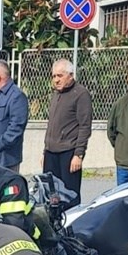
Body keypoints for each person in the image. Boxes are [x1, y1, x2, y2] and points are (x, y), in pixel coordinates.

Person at [43, 59, 92, 208]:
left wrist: (78, 154)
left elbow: (85, 126)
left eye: (60, 75)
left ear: (70, 75)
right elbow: (52, 125)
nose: (56, 80)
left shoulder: (81, 94)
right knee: (51, 196)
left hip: (69, 153)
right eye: (54, 76)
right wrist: (44, 151)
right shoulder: (56, 94)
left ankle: (71, 227)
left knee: (69, 196)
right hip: (51, 153)